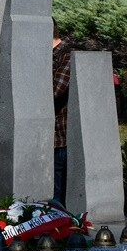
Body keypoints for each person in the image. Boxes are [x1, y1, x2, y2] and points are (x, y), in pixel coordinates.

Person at [52, 19, 71, 204]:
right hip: (46, 138)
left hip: (61, 138)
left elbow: (55, 89)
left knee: (58, 201)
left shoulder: (67, 54)